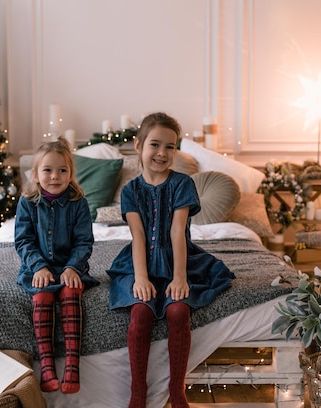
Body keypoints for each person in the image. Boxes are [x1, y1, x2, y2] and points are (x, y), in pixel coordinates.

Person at [106, 112, 235, 408]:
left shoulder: (182, 184)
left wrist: (180, 277)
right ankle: (138, 391)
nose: (162, 153)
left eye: (170, 147)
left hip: (180, 260)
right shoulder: (130, 191)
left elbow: (178, 231)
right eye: (155, 144)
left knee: (178, 312)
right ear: (138, 145)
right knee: (140, 314)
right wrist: (140, 278)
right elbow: (138, 235)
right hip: (140, 263)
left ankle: (177, 390)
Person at [15, 137, 98, 394]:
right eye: (48, 170)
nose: (55, 176)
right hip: (37, 269)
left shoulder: (78, 203)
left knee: (71, 293)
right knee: (42, 297)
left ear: (71, 173)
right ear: (36, 174)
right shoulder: (27, 202)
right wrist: (39, 266)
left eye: (62, 170)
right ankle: (47, 365)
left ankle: (73, 364)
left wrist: (73, 267)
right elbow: (23, 241)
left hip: (71, 267)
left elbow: (84, 242)